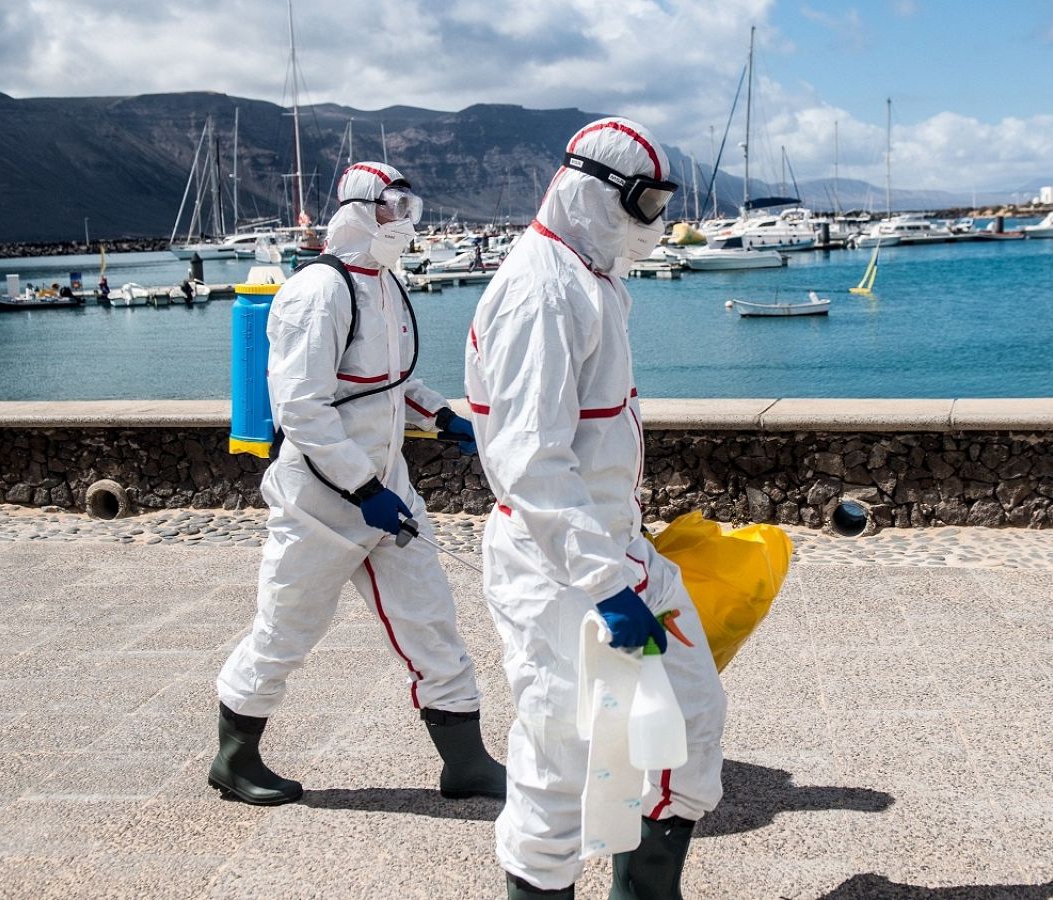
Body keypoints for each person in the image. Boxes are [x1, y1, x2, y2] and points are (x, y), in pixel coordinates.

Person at [465, 118, 726, 899]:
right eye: (643, 201)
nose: (653, 221)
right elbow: (531, 462)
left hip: (613, 552)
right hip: (559, 568)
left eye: (661, 202)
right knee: (557, 759)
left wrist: (621, 566)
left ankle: (646, 891)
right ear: (591, 189)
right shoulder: (543, 292)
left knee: (693, 712)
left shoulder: (588, 277)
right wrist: (606, 586)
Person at [212, 161, 504, 806]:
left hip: (386, 486)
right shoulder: (317, 291)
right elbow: (302, 409)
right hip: (317, 498)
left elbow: (392, 384)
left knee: (431, 619)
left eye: (410, 208)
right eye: (392, 207)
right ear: (358, 209)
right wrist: (361, 488)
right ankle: (234, 759)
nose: (403, 221)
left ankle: (467, 763)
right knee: (286, 628)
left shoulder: (387, 285)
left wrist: (446, 417)